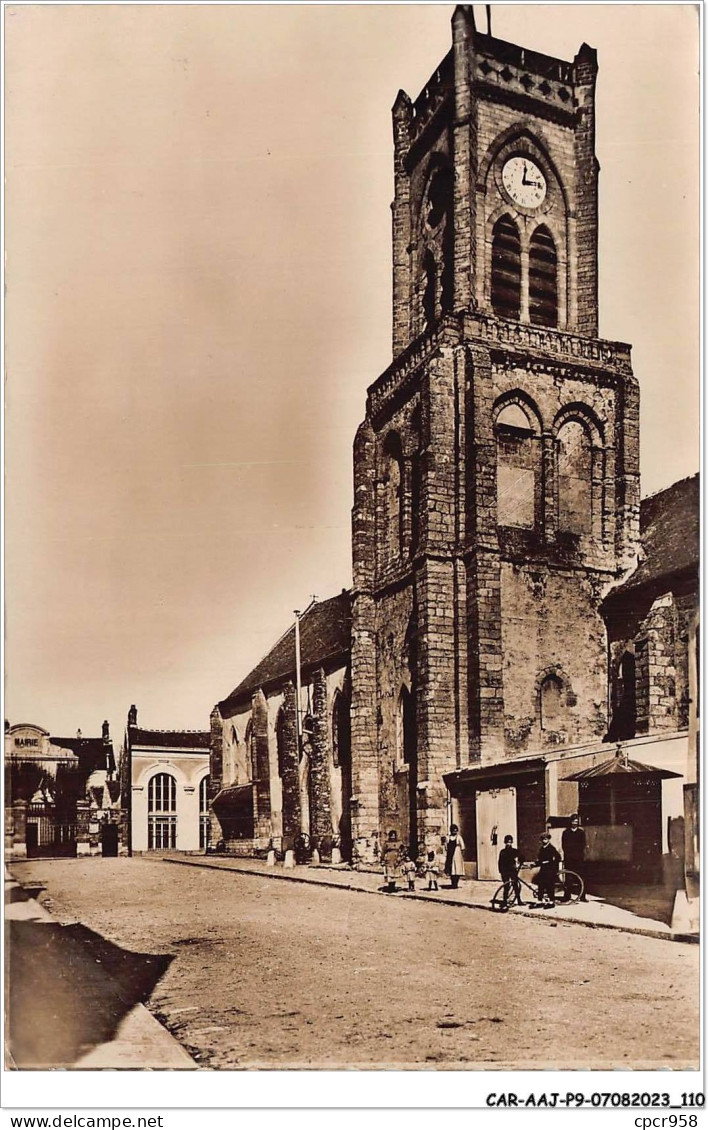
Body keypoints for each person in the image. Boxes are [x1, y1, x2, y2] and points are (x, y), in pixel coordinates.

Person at [561, 813, 588, 901]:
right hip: (569, 858)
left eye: (576, 821)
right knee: (568, 877)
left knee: (581, 877)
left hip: (579, 858)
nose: (574, 823)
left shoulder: (581, 832)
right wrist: (569, 855)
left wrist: (577, 854)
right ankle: (567, 896)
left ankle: (582, 896)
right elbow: (564, 845)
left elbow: (582, 845)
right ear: (571, 822)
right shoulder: (566, 832)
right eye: (573, 821)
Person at [498, 834, 523, 908]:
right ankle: (505, 901)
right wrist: (501, 871)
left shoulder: (514, 851)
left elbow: (522, 857)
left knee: (515, 885)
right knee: (506, 886)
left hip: (512, 870)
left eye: (510, 842)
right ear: (505, 842)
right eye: (507, 842)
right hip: (505, 871)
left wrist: (519, 863)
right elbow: (500, 862)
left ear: (512, 842)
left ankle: (519, 900)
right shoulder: (502, 852)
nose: (508, 843)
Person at [536, 832, 561, 906]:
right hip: (543, 869)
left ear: (548, 840)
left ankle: (551, 901)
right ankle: (540, 900)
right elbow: (540, 859)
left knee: (549, 885)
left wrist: (550, 862)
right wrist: (536, 863)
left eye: (546, 839)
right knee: (540, 884)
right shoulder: (542, 848)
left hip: (550, 869)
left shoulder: (551, 848)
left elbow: (558, 858)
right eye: (543, 839)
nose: (544, 841)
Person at [444, 824, 465, 889]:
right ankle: (452, 883)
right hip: (450, 854)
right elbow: (446, 846)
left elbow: (463, 846)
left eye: (456, 831)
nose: (455, 832)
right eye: (453, 831)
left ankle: (456, 883)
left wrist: (461, 854)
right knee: (451, 868)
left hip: (457, 854)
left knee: (457, 868)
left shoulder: (459, 837)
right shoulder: (448, 837)